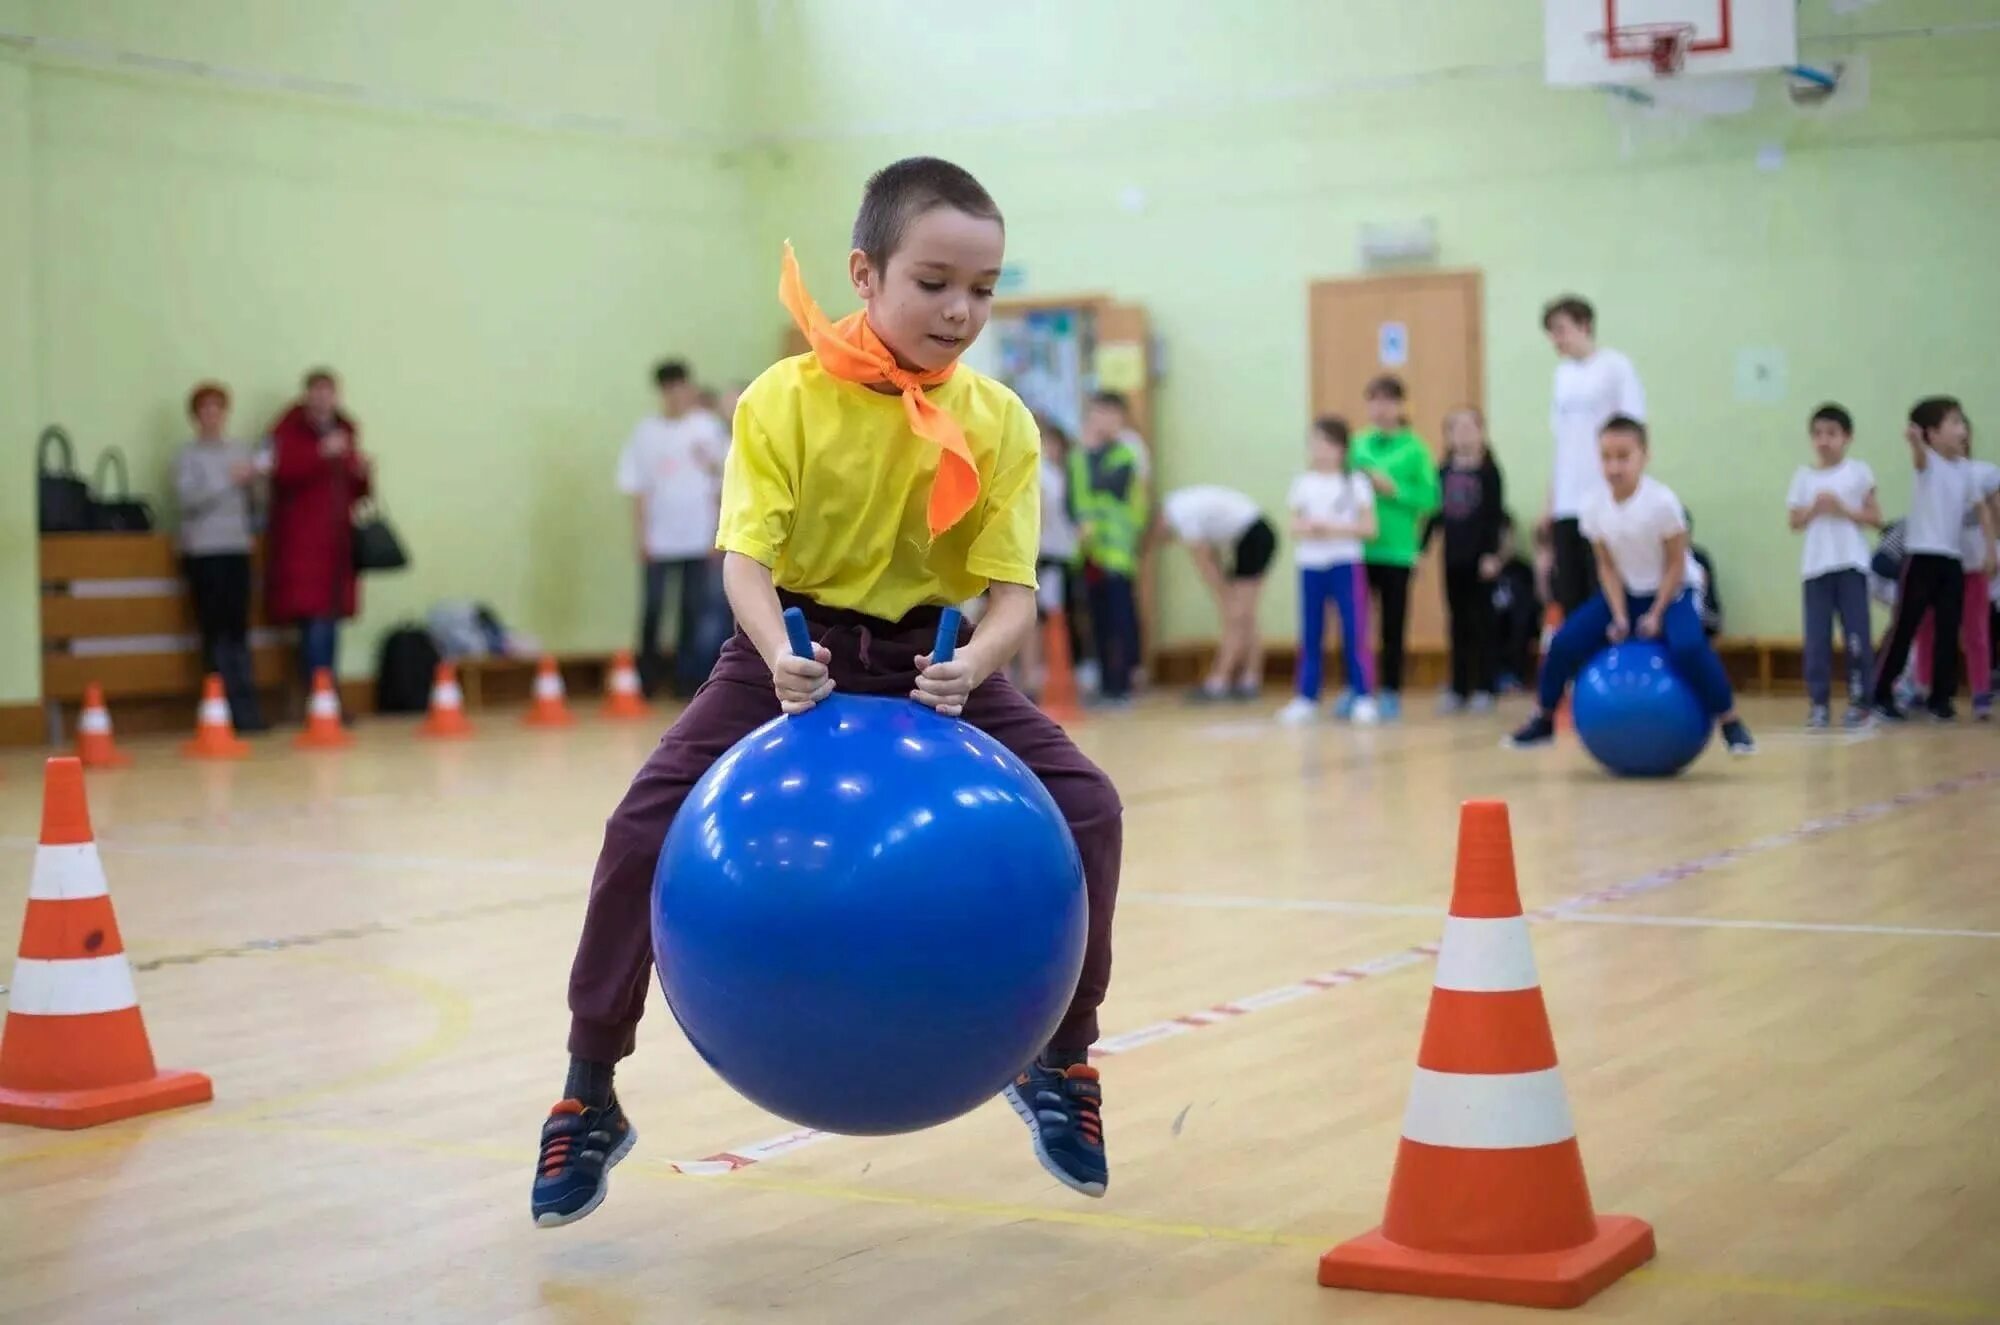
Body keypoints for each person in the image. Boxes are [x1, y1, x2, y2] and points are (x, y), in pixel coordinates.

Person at [533, 157, 1123, 1226]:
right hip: (790, 648)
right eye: (934, 281)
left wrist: (974, 665)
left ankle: (1062, 1061)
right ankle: (589, 1084)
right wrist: (774, 655)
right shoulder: (780, 400)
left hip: (936, 663)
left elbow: (1010, 597)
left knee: (1088, 806)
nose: (960, 310)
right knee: (638, 825)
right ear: (864, 271)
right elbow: (743, 564)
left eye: (983, 290)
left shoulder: (999, 422)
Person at [1507, 416, 1755, 755]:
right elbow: (1606, 566)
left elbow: (1676, 562)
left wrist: (1656, 614)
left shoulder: (1662, 503)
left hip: (1674, 590)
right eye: (1606, 457)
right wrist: (1621, 616)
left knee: (1688, 646)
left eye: (1623, 456)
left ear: (1644, 456)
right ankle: (1544, 719)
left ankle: (1730, 721)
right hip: (1624, 592)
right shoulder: (1593, 506)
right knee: (1563, 642)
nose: (1614, 466)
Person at [618, 360, 732, 697]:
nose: (675, 396)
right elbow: (637, 488)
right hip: (659, 537)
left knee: (692, 610)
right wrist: (641, 536)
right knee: (653, 608)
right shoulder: (646, 433)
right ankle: (646, 680)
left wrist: (717, 532)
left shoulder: (708, 429)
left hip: (698, 537)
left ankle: (688, 680)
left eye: (681, 388)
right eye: (668, 390)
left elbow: (723, 481)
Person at [1874, 397, 1991, 721]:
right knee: (1906, 625)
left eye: (1962, 422)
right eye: (1953, 423)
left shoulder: (1967, 470)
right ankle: (1881, 692)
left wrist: (1990, 550)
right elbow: (1919, 456)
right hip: (1921, 557)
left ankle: (1941, 698)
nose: (1962, 429)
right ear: (1932, 434)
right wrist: (1914, 440)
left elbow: (1979, 506)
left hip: (1952, 560)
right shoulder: (1928, 462)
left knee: (1947, 628)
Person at [265, 368, 370, 695]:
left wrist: (364, 474)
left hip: (338, 543)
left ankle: (328, 695)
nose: (323, 398)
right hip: (302, 542)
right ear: (307, 395)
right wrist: (321, 453)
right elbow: (281, 473)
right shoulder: (288, 432)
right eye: (317, 391)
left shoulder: (346, 431)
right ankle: (319, 697)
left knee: (332, 620)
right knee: (314, 620)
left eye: (329, 392)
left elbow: (355, 491)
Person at [174, 381, 267, 732]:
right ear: (196, 416)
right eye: (205, 409)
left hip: (237, 547)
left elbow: (256, 504)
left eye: (218, 408)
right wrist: (229, 480)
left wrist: (257, 479)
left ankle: (247, 710)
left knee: (238, 630)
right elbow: (189, 501)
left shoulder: (240, 450)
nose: (212, 416)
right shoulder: (187, 456)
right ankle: (218, 710)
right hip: (204, 551)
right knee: (214, 632)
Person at [1543, 295, 1646, 615]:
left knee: (1602, 588)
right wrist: (1550, 498)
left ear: (1584, 326)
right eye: (1551, 332)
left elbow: (1633, 432)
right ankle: (1581, 666)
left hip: (1603, 498)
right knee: (1571, 592)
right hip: (1567, 503)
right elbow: (1561, 443)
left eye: (1561, 329)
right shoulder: (1562, 376)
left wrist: (1625, 494)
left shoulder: (1616, 367)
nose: (1555, 339)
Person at [1785, 403, 1881, 728]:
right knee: (1817, 639)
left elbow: (1875, 517)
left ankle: (1861, 701)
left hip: (1851, 564)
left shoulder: (1858, 472)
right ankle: (1819, 703)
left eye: (1831, 434)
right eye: (1818, 434)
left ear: (1847, 437)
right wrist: (1814, 509)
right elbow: (1794, 521)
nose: (1824, 441)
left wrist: (1842, 509)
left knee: (1856, 635)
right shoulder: (1803, 477)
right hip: (1815, 568)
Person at [1276, 416, 1377, 724]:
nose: (1321, 450)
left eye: (1328, 444)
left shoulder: (1355, 483)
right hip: (1311, 565)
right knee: (1311, 632)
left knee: (1354, 630)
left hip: (1345, 563)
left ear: (1342, 449)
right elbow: (1294, 524)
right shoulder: (1303, 483)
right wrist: (1309, 527)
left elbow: (1369, 527)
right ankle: (1306, 697)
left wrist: (1332, 527)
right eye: (1315, 443)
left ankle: (1363, 695)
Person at [1351, 375, 1440, 720]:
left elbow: (1431, 498)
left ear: (1401, 406)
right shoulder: (1357, 446)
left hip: (1398, 550)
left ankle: (1390, 690)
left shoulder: (1416, 448)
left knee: (1393, 623)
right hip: (1359, 548)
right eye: (1374, 401)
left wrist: (1395, 489)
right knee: (1356, 623)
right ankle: (1358, 687)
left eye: (1388, 401)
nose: (1381, 409)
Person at [1912, 431, 2000, 719]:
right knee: (1928, 629)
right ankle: (1923, 688)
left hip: (1972, 567)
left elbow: (1989, 513)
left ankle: (1981, 695)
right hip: (1941, 564)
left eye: (1963, 429)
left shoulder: (1980, 473)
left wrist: (1991, 551)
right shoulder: (1933, 472)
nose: (1960, 436)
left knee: (1976, 630)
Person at [1423, 407, 1505, 713]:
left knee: (1482, 621)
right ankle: (1459, 686)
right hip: (1453, 557)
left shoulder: (1489, 471)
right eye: (1457, 429)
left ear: (1481, 432)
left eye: (1470, 428)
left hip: (1480, 560)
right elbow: (1435, 514)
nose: (1464, 434)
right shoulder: (1443, 471)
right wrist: (1421, 549)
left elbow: (1495, 516)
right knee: (1457, 622)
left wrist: (1492, 554)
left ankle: (1485, 685)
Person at [1159, 485, 1275, 701]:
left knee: (1237, 614)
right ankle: (1248, 678)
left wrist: (1223, 595)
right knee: (1244, 614)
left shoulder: (1180, 514)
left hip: (1253, 536)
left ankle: (1220, 681)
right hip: (1251, 536)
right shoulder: (1180, 503)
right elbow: (1213, 555)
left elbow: (1205, 561)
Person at [1071, 394, 1148, 707]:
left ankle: (1124, 684)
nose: (1101, 420)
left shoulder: (1126, 452)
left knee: (1121, 619)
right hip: (1089, 553)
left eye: (1109, 414)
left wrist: (1091, 453)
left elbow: (1108, 485)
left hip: (1117, 553)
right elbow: (1074, 498)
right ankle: (1105, 685)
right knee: (1097, 621)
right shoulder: (1079, 455)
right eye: (1097, 413)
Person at [1014, 415, 1081, 699]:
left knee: (1040, 617)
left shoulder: (1053, 472)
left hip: (1050, 554)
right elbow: (1037, 513)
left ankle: (1032, 678)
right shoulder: (1042, 471)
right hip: (1041, 555)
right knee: (1032, 616)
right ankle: (1027, 678)